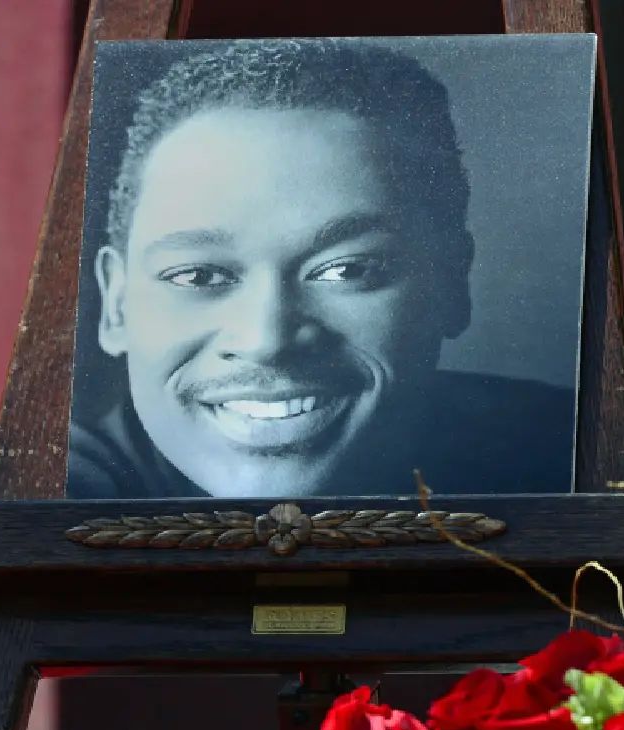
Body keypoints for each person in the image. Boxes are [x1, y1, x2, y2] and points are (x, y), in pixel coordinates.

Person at [67, 40, 577, 499]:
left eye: (349, 269)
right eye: (199, 276)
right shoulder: (60, 488)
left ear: (450, 284)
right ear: (116, 305)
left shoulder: (572, 450)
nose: (267, 340)